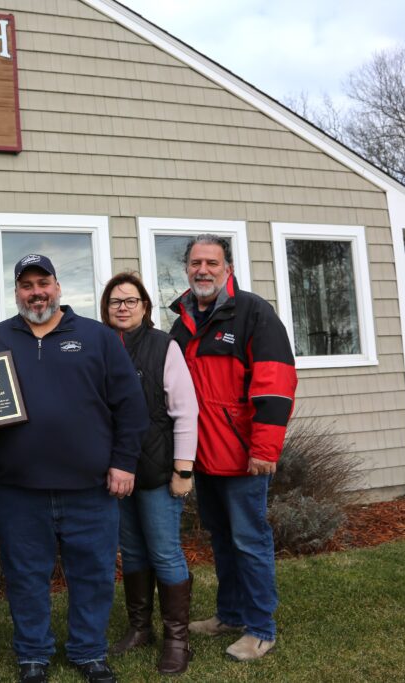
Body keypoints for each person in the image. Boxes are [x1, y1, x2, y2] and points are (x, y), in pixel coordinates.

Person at [0, 255, 148, 683]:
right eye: (26, 285)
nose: (36, 292)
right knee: (26, 576)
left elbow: (131, 407)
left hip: (90, 487)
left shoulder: (97, 337)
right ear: (16, 292)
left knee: (94, 574)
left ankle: (89, 651)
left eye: (43, 282)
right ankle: (33, 654)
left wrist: (124, 463)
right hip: (20, 490)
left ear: (58, 286)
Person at [168, 234, 297, 661]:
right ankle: (229, 613)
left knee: (249, 541)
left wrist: (265, 448)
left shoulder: (254, 314)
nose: (202, 269)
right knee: (222, 540)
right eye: (195, 262)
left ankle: (261, 628)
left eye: (212, 262)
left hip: (244, 458)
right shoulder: (183, 318)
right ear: (187, 267)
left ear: (228, 267)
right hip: (202, 457)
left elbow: (276, 384)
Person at [100, 272, 199, 675]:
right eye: (115, 302)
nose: (122, 307)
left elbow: (185, 411)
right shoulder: (101, 348)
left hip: (159, 471)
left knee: (163, 552)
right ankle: (140, 629)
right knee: (135, 553)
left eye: (130, 301)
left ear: (144, 306)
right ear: (106, 310)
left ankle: (178, 640)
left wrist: (184, 468)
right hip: (117, 474)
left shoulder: (164, 347)